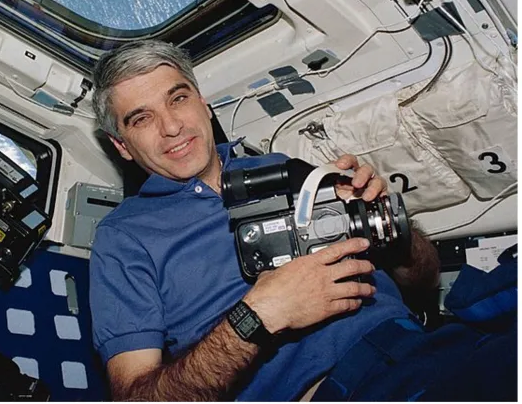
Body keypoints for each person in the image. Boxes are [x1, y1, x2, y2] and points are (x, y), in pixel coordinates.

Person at [88, 40, 516, 401]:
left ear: (202, 102)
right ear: (122, 145)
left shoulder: (286, 168)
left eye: (178, 98)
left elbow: (422, 280)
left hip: (429, 348)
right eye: (141, 119)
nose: (171, 127)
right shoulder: (124, 237)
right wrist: (259, 315)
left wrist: (386, 221)